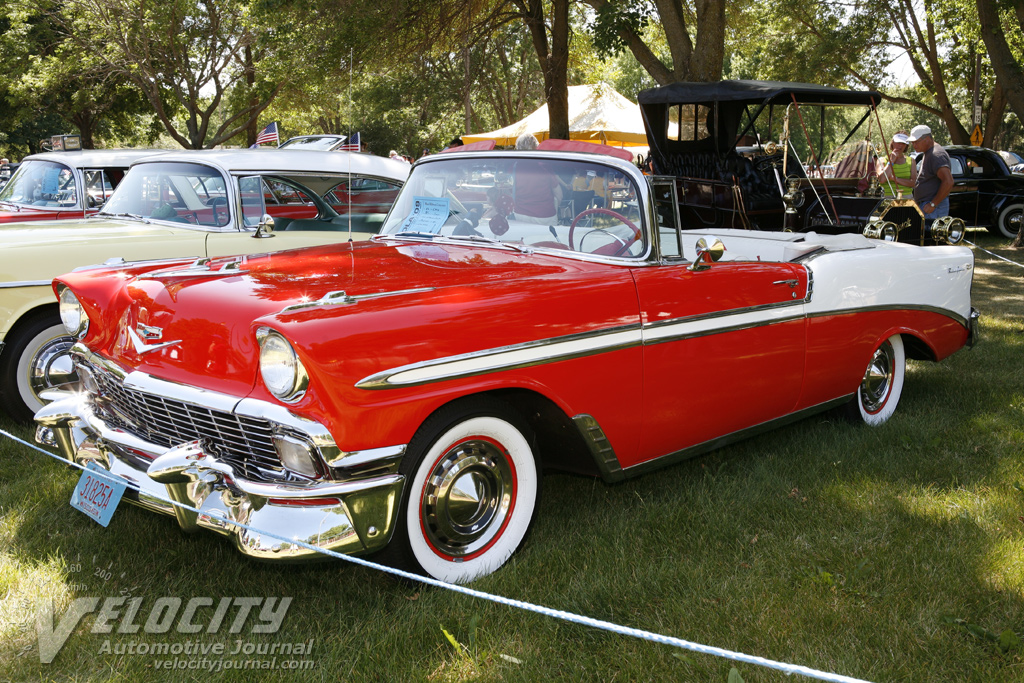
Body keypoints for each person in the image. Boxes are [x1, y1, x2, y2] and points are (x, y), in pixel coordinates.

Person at [511, 134, 561, 224]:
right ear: (536, 146)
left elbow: (509, 191)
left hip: (521, 215)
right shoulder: (545, 165)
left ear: (518, 148)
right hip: (546, 215)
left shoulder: (514, 167)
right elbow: (558, 193)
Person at [908, 124, 953, 219]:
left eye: (917, 142)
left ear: (927, 139)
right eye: (912, 142)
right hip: (928, 206)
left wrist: (933, 204)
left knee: (931, 229)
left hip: (933, 208)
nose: (914, 145)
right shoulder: (929, 152)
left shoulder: (936, 154)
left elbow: (948, 181)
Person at [877, 133, 917, 198]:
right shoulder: (882, 160)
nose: (900, 145)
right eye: (898, 142)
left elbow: (913, 183)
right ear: (892, 143)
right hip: (886, 197)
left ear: (906, 146)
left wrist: (893, 178)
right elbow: (881, 179)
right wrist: (891, 161)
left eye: (903, 143)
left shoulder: (911, 161)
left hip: (906, 197)